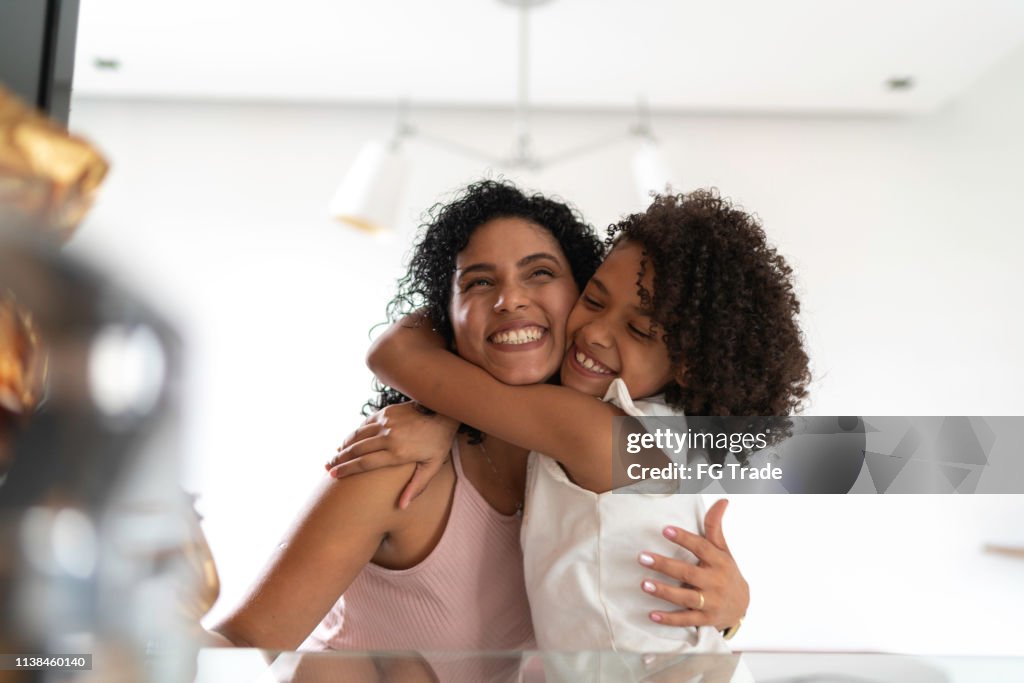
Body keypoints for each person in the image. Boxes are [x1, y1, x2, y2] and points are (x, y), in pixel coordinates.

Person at [208, 182, 750, 667]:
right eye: (478, 283)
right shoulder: (396, 467)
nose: (510, 299)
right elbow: (241, 648)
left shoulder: (610, 449)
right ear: (446, 319)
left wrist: (731, 607)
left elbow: (829, 453)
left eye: (540, 273)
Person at [349, 189, 808, 653]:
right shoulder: (679, 435)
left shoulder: (592, 431)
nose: (594, 332)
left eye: (637, 330)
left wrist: (463, 299)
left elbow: (392, 352)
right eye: (593, 299)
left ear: (688, 362)